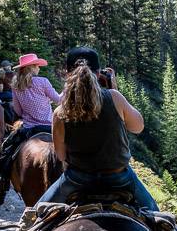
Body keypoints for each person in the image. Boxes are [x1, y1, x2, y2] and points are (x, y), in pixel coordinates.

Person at [37, 46, 158, 211]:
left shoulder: (60, 112)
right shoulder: (114, 97)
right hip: (119, 177)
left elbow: (60, 155)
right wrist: (114, 89)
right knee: (155, 214)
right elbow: (138, 127)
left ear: (66, 74)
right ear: (99, 73)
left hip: (77, 179)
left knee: (37, 214)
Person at [0, 53, 61, 196]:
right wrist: (67, 89)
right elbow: (59, 100)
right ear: (31, 67)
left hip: (28, 129)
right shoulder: (43, 82)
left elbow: (17, 110)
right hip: (49, 127)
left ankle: (2, 179)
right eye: (36, 65)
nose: (38, 68)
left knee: (7, 148)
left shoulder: (16, 86)